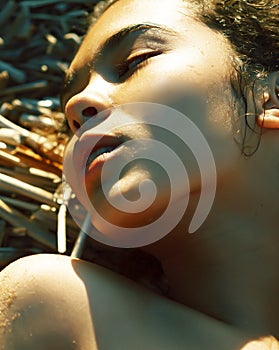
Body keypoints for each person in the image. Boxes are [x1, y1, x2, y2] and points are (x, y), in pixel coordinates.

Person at [0, 0, 279, 349]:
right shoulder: (54, 311)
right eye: (70, 118)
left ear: (273, 96)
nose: (78, 106)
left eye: (136, 60)